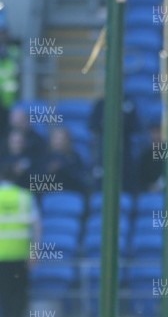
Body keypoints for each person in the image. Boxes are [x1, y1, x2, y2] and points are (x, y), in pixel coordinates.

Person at [0, 164, 41, 317]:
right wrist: (34, 252)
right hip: (20, 257)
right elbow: (37, 227)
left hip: (1, 257)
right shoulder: (25, 197)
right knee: (19, 299)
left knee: (4, 299)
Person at [42, 127, 88, 194]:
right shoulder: (45, 157)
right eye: (56, 139)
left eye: (62, 139)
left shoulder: (75, 157)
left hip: (72, 193)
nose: (59, 142)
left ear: (68, 140)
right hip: (50, 193)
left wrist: (64, 166)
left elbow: (80, 179)